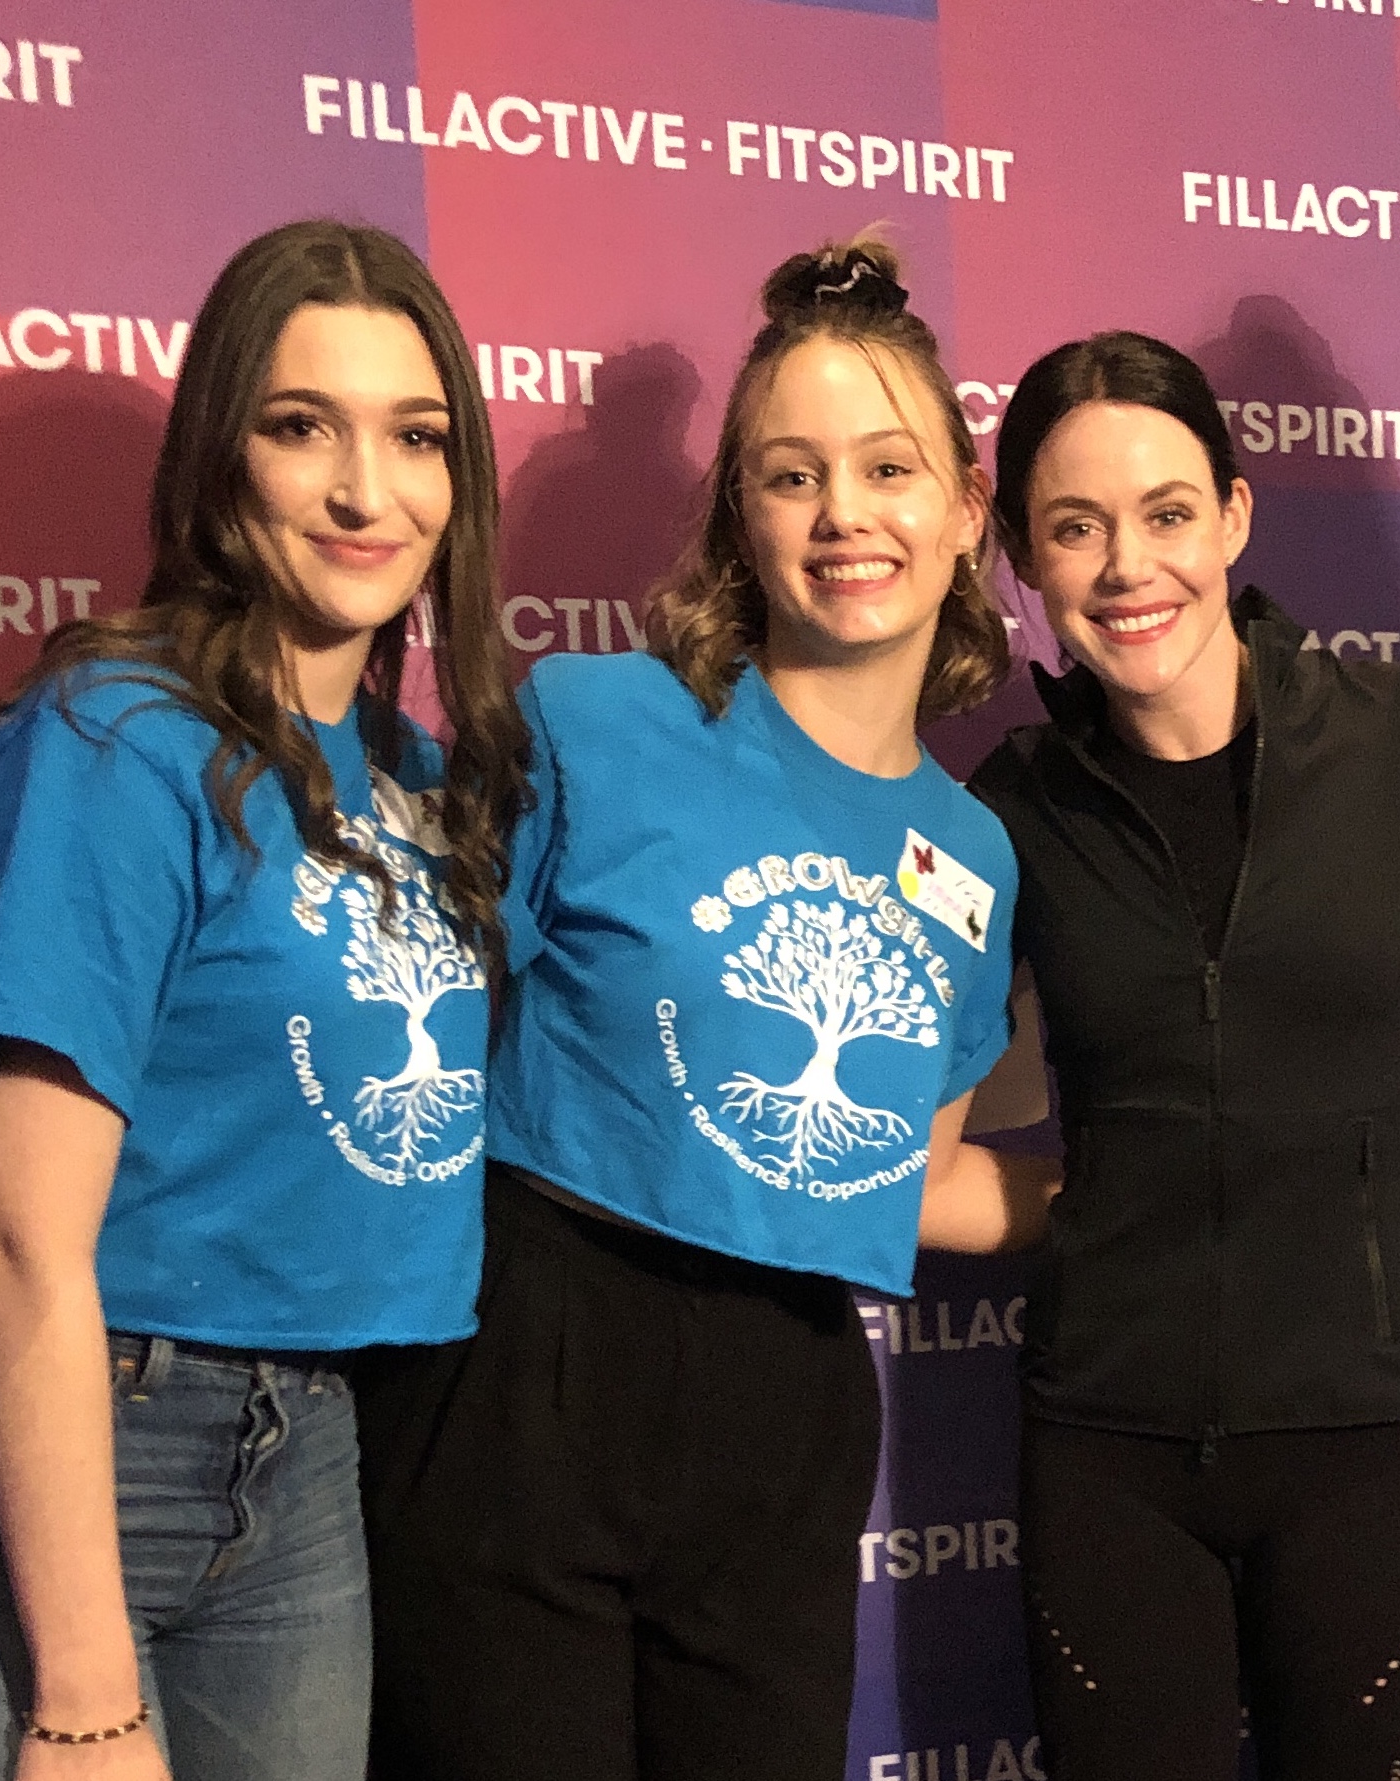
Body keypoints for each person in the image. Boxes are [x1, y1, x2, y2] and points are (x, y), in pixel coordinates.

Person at [0, 219, 528, 1781]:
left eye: (415, 436)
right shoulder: (118, 736)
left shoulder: (413, 779)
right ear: (219, 458)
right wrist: (85, 1696)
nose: (367, 490)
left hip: (296, 1445)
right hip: (25, 1451)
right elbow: (18, 1231)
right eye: (301, 426)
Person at [354, 236, 1045, 1781]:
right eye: (793, 475)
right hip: (527, 1355)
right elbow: (416, 1020)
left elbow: (913, 1170)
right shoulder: (590, 716)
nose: (844, 513)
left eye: (887, 468)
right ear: (741, 512)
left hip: (786, 1398)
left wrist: (1162, 1205)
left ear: (963, 509)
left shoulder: (975, 855)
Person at [960, 332, 1400, 1781]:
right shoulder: (1006, 810)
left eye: (1168, 512)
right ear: (1022, 560)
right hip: (1105, 1453)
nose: (1130, 566)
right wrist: (1113, 1196)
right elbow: (918, 1155)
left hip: (1368, 1434)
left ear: (1235, 517)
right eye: (1076, 527)